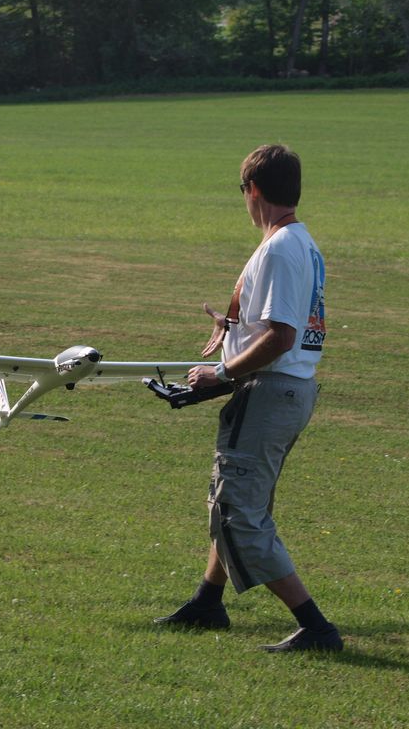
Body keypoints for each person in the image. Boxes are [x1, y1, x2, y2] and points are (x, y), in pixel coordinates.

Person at [154, 144, 342, 653]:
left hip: (272, 392)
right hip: (289, 391)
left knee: (239, 509)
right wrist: (234, 330)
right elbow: (284, 325)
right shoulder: (300, 242)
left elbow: (282, 336)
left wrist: (220, 371)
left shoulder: (280, 249)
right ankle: (208, 602)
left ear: (253, 190)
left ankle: (316, 627)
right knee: (237, 501)